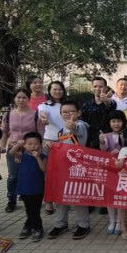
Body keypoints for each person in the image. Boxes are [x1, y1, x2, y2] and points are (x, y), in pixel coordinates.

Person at [47, 100, 91, 240]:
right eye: (64, 112)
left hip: (78, 168)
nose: (67, 114)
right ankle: (60, 224)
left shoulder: (81, 125)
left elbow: (76, 129)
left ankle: (83, 225)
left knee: (78, 196)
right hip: (63, 168)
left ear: (78, 113)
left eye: (71, 111)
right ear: (60, 114)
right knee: (61, 196)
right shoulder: (61, 130)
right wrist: (51, 145)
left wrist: (73, 126)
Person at [0, 88, 44, 213]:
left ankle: (27, 196)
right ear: (14, 99)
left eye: (24, 97)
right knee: (13, 176)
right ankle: (11, 200)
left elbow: (41, 133)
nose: (21, 100)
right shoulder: (8, 115)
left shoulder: (36, 114)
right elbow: (4, 132)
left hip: (30, 150)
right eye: (18, 97)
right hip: (13, 148)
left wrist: (39, 149)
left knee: (30, 174)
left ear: (29, 99)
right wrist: (2, 146)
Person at [8, 132, 47, 242]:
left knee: (35, 209)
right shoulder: (22, 156)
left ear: (40, 144)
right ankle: (34, 227)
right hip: (24, 188)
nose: (33, 146)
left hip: (38, 188)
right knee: (29, 209)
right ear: (25, 145)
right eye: (29, 144)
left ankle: (32, 226)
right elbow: (11, 152)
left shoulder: (43, 157)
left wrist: (37, 157)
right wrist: (17, 145)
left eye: (36, 143)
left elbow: (44, 169)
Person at [38, 80, 67, 214]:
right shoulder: (44, 105)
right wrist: (44, 118)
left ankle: (62, 199)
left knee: (63, 172)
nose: (57, 91)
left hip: (66, 141)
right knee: (48, 173)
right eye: (54, 89)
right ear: (49, 91)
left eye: (60, 89)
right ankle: (48, 201)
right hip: (49, 142)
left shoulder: (67, 105)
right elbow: (42, 114)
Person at [99, 110, 127, 233]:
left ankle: (120, 222)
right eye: (113, 121)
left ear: (123, 122)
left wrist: (122, 153)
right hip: (110, 170)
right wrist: (102, 142)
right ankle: (112, 221)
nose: (116, 124)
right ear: (109, 123)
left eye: (119, 121)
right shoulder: (106, 136)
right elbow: (103, 150)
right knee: (109, 195)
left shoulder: (126, 134)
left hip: (123, 170)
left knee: (120, 195)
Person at [81, 77, 117, 150]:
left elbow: (111, 104)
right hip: (90, 141)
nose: (97, 88)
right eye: (95, 86)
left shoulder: (111, 102)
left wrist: (106, 101)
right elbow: (83, 122)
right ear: (92, 88)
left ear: (105, 88)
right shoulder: (86, 104)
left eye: (101, 86)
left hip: (107, 140)